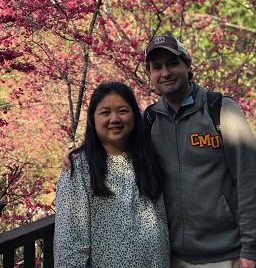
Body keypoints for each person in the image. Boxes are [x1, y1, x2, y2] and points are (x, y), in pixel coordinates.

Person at [62, 36, 256, 268]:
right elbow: (112, 132)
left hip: (225, 254)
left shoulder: (220, 110)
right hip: (171, 257)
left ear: (188, 66)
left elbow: (250, 180)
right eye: (156, 67)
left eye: (172, 63)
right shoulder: (149, 120)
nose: (165, 72)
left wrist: (251, 248)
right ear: (150, 74)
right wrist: (78, 153)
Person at [55, 82, 170, 268]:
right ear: (93, 118)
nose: (114, 119)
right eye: (105, 112)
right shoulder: (78, 170)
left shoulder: (147, 160)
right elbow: (69, 244)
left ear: (135, 115)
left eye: (123, 111)